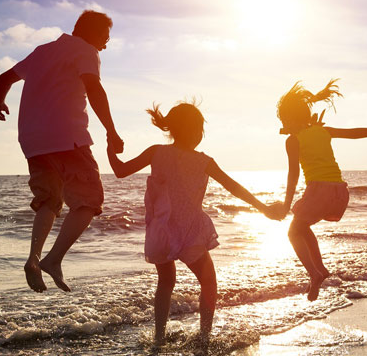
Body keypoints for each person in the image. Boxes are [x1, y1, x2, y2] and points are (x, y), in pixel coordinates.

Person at [106, 102, 282, 348]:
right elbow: (234, 188)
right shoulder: (204, 161)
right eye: (200, 129)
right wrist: (263, 208)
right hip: (189, 232)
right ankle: (204, 337)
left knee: (166, 282)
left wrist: (109, 147)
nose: (201, 134)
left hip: (161, 231)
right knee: (208, 280)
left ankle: (158, 339)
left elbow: (120, 170)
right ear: (194, 131)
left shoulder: (155, 151)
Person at [0, 10, 125, 293]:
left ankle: (33, 258)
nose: (105, 44)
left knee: (49, 201)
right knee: (90, 201)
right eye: (104, 37)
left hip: (33, 142)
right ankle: (53, 260)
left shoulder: (42, 51)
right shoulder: (86, 50)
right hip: (68, 137)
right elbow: (95, 88)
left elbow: (5, 77)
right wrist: (111, 131)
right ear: (91, 32)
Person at [275, 79, 367, 301]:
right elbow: (354, 133)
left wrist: (285, 204)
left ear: (291, 119)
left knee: (293, 232)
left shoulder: (293, 141)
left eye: (283, 119)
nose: (283, 124)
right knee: (302, 227)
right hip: (340, 192)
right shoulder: (324, 131)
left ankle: (314, 273)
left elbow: (293, 175)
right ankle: (320, 270)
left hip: (318, 191)